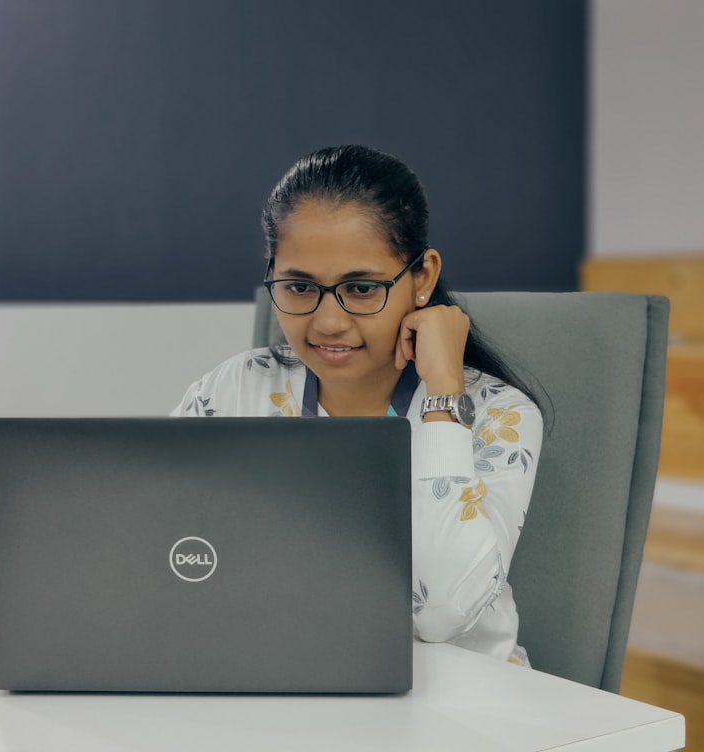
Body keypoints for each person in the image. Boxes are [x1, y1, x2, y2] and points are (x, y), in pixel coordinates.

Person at [173, 145, 543, 666]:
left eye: (362, 287)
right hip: (284, 679)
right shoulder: (235, 389)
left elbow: (440, 615)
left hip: (459, 706)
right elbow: (164, 551)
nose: (327, 322)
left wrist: (442, 391)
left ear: (423, 278)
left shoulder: (498, 414)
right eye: (299, 286)